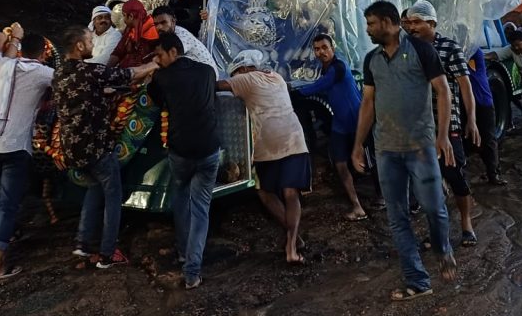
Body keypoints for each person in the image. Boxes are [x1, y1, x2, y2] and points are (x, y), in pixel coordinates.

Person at [351, 1, 457, 301]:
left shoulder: (422, 51)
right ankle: (417, 280)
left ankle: (442, 248)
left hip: (420, 148)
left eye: (371, 23)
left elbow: (442, 90)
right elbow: (368, 104)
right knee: (397, 217)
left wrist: (442, 136)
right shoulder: (371, 60)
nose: (368, 30)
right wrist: (358, 145)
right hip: (386, 151)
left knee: (434, 209)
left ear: (387, 22)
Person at [53, 26, 153, 268]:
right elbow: (131, 74)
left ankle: (83, 243)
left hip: (71, 149)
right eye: (88, 41)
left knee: (94, 188)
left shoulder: (58, 74)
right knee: (112, 197)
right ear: (79, 46)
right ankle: (108, 253)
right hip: (95, 148)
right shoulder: (90, 72)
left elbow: (87, 93)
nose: (92, 45)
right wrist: (156, 64)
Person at [218, 49, 310, 265]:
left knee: (265, 192)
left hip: (268, 144)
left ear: (241, 69)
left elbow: (214, 85)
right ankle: (293, 243)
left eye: (236, 73)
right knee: (291, 193)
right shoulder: (276, 77)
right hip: (295, 138)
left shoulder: (245, 79)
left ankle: (292, 241)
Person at [145, 33, 220, 289]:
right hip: (210, 149)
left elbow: (154, 99)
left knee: (181, 195)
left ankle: (182, 252)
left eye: (160, 55)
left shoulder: (162, 76)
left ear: (174, 52)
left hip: (181, 152)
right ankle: (192, 271)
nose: (157, 60)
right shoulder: (208, 71)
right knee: (200, 209)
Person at [405, 0, 481, 246]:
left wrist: (472, 120)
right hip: (419, 127)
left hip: (448, 126)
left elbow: (464, 85)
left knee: (455, 175)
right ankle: (437, 231)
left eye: (417, 22)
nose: (411, 27)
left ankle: (467, 224)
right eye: (408, 22)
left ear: (432, 23)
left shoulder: (449, 47)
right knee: (427, 182)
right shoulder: (406, 51)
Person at [0, 27, 54, 281]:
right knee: (9, 205)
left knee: (2, 195)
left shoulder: (4, 65)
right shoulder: (43, 73)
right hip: (15, 145)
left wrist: (5, 42)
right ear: (44, 53)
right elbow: (66, 84)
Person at [293, 33, 367, 220]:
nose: (321, 52)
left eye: (324, 48)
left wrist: (296, 93)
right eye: (317, 49)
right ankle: (357, 206)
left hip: (358, 122)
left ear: (332, 48)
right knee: (340, 164)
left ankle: (385, 198)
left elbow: (320, 86)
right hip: (340, 125)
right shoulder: (325, 68)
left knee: (370, 163)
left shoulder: (338, 67)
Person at [464, 41, 506, 186]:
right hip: (466, 104)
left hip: (482, 102)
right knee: (470, 139)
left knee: (488, 138)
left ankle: (493, 173)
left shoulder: (474, 52)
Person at [151, 5, 219, 76]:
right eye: (156, 24)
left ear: (173, 21)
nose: (159, 27)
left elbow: (170, 60)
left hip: (207, 77)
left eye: (163, 23)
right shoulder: (168, 36)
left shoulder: (181, 35)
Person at [108, 0, 159, 68]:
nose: (123, 20)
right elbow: (119, 51)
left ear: (131, 16)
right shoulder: (129, 29)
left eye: (124, 15)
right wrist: (107, 71)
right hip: (124, 71)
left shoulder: (154, 30)